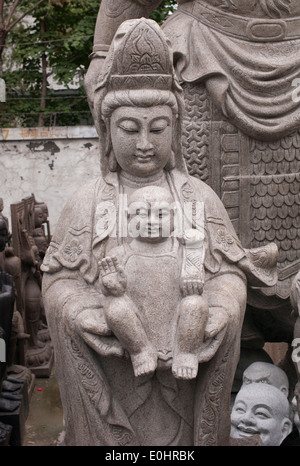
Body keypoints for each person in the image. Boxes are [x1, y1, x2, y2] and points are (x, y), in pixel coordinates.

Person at [42, 18, 277, 446]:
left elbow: (227, 275)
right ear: (109, 133)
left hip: (186, 371)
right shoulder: (88, 201)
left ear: (176, 129)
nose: (145, 143)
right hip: (112, 365)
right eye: (130, 129)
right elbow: (59, 281)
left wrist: (222, 311)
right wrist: (78, 312)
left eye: (158, 129)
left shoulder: (199, 198)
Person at [99, 185, 210, 380]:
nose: (151, 222)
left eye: (161, 215)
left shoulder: (184, 250)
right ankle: (140, 351)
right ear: (128, 218)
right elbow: (110, 289)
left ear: (174, 216)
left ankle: (186, 352)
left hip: (175, 319)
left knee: (195, 304)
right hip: (138, 320)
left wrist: (193, 276)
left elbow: (196, 282)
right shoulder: (120, 254)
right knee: (115, 308)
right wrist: (113, 287)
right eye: (142, 214)